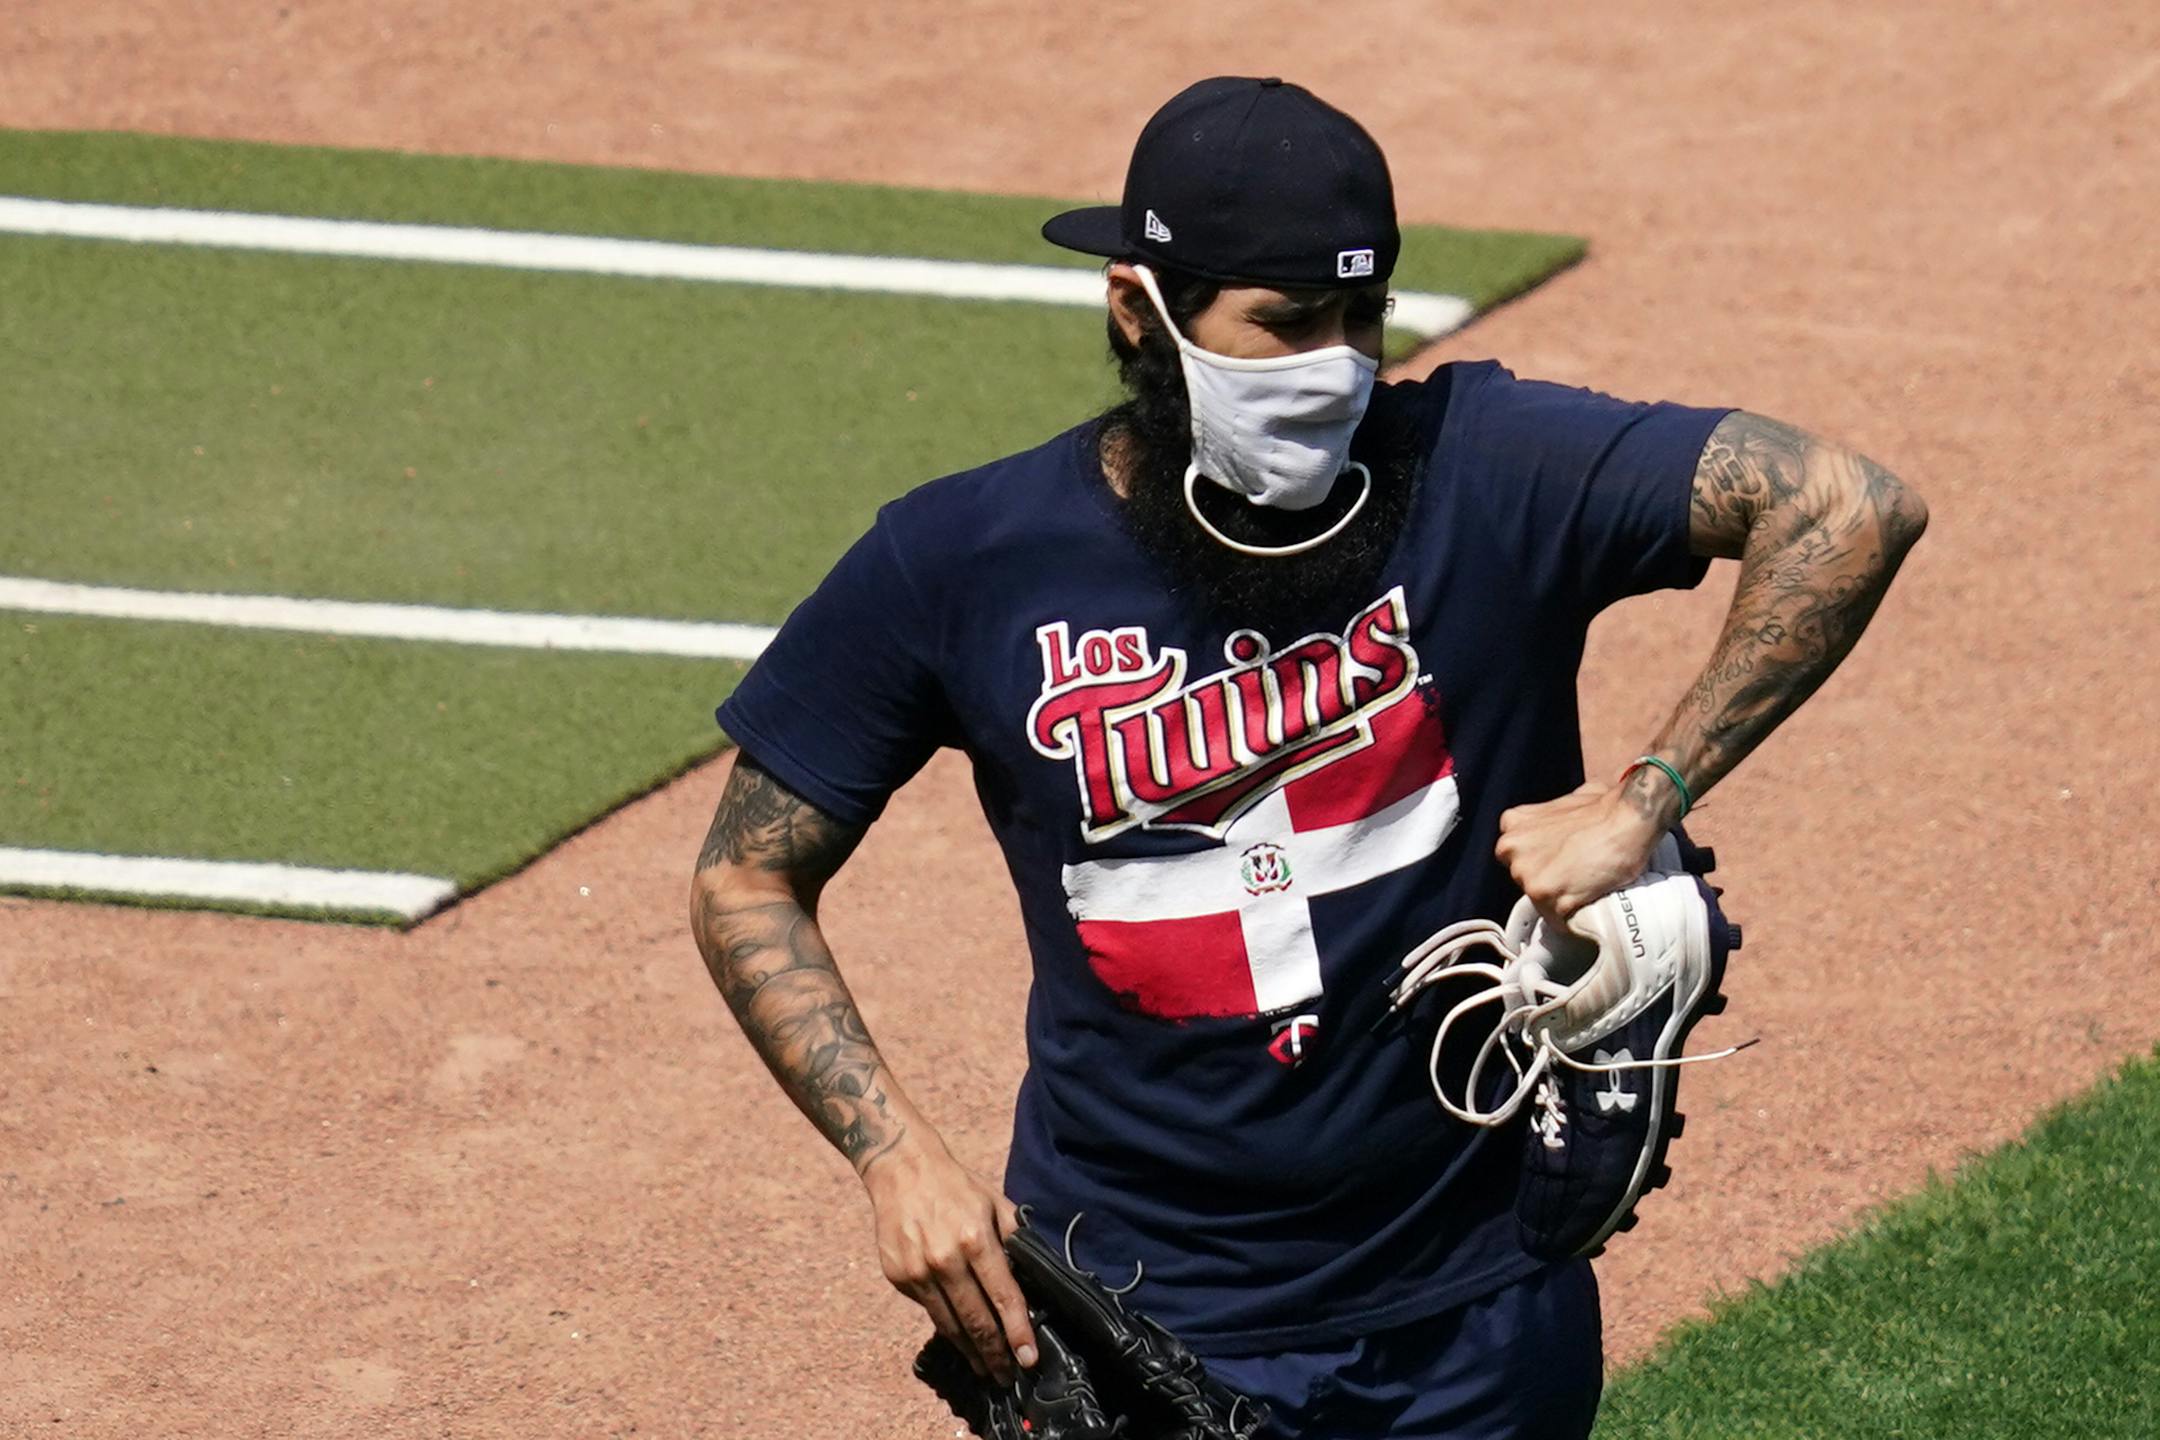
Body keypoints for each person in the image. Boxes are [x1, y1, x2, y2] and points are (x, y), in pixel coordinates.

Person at [689, 75, 1925, 1439]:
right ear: (1134, 308)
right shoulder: (960, 561)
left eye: (1362, 317)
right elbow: (746, 877)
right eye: (1284, 323)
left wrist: (1648, 799)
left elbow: (1847, 506)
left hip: (1476, 1318)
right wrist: (892, 1153)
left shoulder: (1483, 463)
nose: (1335, 363)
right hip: (1148, 1312)